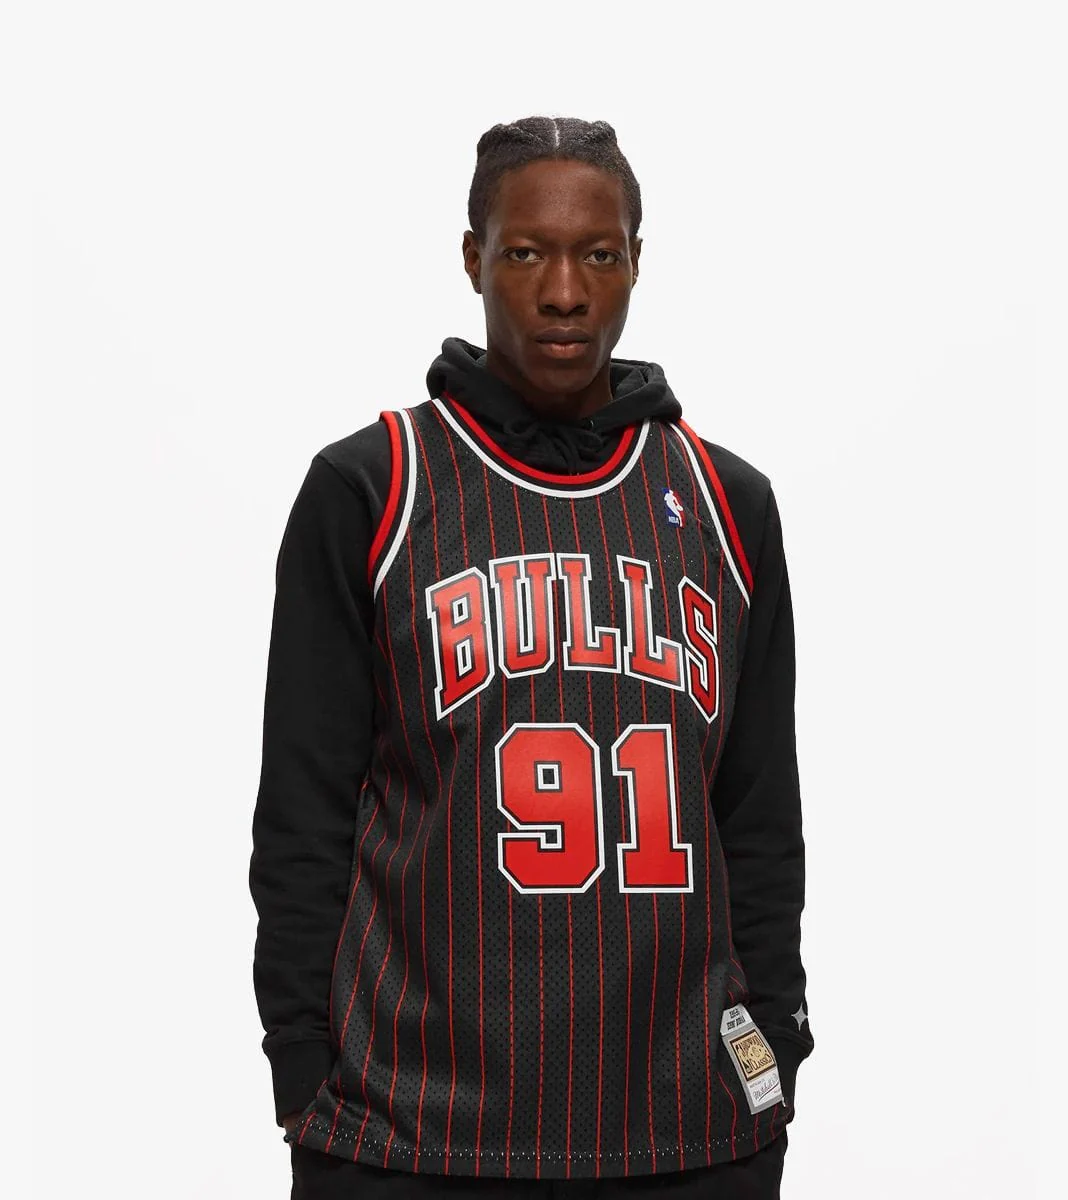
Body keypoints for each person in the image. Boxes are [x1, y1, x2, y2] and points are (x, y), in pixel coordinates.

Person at [249, 115, 813, 1200]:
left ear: (636, 262)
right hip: (408, 1133)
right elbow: (303, 817)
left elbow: (757, 816)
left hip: (686, 1131)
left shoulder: (726, 504)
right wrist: (304, 1069)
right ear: (473, 258)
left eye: (598, 255)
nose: (564, 293)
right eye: (525, 252)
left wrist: (775, 1048)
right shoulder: (373, 487)